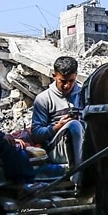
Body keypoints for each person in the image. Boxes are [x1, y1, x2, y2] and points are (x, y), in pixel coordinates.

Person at [31, 56, 85, 185]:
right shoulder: (43, 99)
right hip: (56, 150)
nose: (67, 85)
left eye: (71, 81)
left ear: (76, 76)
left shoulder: (84, 95)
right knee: (74, 126)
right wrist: (57, 126)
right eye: (63, 81)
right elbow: (36, 134)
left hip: (85, 143)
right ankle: (78, 177)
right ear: (54, 76)